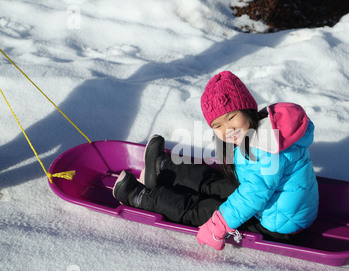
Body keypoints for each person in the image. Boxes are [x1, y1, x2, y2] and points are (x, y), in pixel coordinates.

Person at [112, 71, 319, 250]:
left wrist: (218, 225)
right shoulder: (260, 131)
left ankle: (141, 197)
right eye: (217, 125)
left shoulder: (264, 146)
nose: (227, 130)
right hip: (274, 206)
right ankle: (162, 169)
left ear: (248, 110)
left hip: (277, 225)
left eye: (231, 118)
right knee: (214, 182)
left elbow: (253, 196)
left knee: (201, 210)